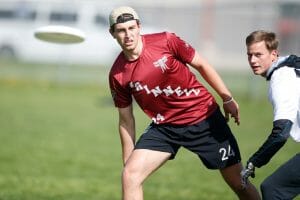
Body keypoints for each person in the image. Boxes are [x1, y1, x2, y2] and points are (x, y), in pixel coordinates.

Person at [108, 6, 260, 200]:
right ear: (112, 33)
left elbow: (202, 65)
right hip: (165, 127)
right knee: (130, 176)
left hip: (204, 120)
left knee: (239, 183)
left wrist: (227, 97)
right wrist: (129, 163)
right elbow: (125, 120)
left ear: (139, 27)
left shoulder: (166, 41)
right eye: (121, 30)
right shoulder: (117, 74)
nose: (128, 34)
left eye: (131, 28)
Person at [242, 30, 300, 200]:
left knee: (274, 189)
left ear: (273, 54)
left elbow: (281, 133)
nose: (253, 60)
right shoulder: (291, 65)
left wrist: (255, 161)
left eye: (258, 54)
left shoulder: (281, 79)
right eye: (249, 55)